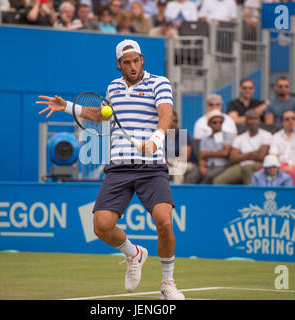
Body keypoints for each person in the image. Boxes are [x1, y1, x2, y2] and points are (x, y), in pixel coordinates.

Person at [36, 39, 185, 300]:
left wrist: (156, 141)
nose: (132, 66)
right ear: (119, 65)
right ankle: (134, 254)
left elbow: (166, 115)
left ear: (142, 60)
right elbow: (105, 115)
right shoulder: (113, 87)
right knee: (101, 226)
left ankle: (168, 283)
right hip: (118, 167)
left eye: (136, 60)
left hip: (151, 168)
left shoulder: (159, 83)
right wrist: (68, 106)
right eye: (126, 62)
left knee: (164, 221)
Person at [213, 110, 272, 185]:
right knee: (218, 181)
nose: (253, 121)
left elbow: (260, 156)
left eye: (255, 118)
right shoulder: (239, 138)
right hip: (240, 166)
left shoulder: (266, 135)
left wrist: (242, 156)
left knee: (247, 168)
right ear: (246, 121)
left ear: (259, 120)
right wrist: (251, 154)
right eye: (250, 119)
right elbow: (233, 158)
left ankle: (252, 195)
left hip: (259, 165)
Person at [194, 109, 234, 184]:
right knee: (192, 176)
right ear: (209, 124)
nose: (218, 124)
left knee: (209, 176)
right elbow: (202, 156)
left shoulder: (228, 135)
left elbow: (225, 153)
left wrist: (207, 154)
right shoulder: (205, 139)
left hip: (223, 166)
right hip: (208, 166)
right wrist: (202, 167)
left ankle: (200, 194)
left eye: (220, 122)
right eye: (214, 122)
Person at [164, 112, 197, 184]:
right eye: (171, 121)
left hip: (188, 164)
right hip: (170, 163)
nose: (173, 123)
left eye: (175, 121)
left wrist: (167, 160)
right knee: (156, 167)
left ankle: (176, 193)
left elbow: (185, 158)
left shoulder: (182, 134)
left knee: (177, 167)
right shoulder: (164, 134)